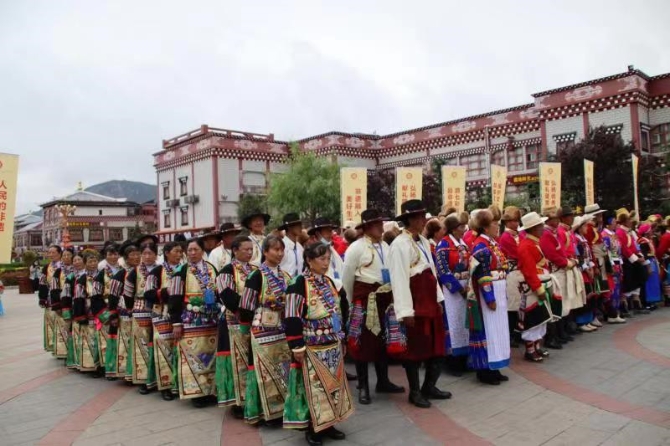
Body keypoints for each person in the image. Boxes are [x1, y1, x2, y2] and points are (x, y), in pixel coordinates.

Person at [284, 242, 354, 445]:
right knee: (314, 388)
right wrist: (296, 345)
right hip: (312, 346)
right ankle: (313, 428)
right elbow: (292, 316)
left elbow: (339, 310)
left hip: (332, 343)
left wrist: (342, 338)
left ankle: (329, 423)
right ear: (309, 260)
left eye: (328, 259)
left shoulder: (329, 282)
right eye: (321, 259)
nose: (326, 263)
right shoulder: (298, 283)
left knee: (333, 385)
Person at [388, 199, 449, 408]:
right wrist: (405, 311)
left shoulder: (422, 240)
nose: (424, 220)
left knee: (437, 346)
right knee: (414, 350)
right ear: (410, 220)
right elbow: (399, 279)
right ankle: (414, 392)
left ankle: (429, 386)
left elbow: (432, 271)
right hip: (415, 304)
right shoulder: (399, 245)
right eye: (420, 217)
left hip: (429, 301)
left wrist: (438, 299)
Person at [342, 209, 405, 405]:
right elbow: (347, 278)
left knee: (383, 340)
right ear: (367, 227)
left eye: (381, 224)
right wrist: (352, 302)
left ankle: (383, 381)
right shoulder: (356, 248)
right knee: (363, 342)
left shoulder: (386, 246)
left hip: (385, 298)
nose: (381, 227)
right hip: (365, 299)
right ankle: (363, 386)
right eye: (377, 224)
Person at [238, 235, 292, 424]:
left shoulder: (286, 276)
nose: (279, 253)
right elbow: (246, 305)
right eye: (275, 249)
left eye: (281, 249)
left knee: (283, 369)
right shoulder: (256, 276)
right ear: (265, 252)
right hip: (262, 331)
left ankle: (283, 408)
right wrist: (246, 329)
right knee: (264, 371)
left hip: (282, 331)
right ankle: (264, 412)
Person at [168, 237, 220, 408]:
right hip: (190, 320)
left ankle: (211, 390)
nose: (192, 253)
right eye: (189, 250)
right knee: (193, 355)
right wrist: (176, 323)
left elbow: (219, 292)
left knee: (211, 355)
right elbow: (174, 298)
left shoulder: (211, 269)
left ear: (203, 251)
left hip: (211, 320)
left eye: (195, 249)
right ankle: (196, 393)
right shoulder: (181, 271)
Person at [215, 235, 257, 417]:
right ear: (235, 250)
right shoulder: (226, 271)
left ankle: (253, 398)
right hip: (234, 322)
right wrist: (247, 306)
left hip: (253, 320)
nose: (249, 252)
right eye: (245, 249)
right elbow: (227, 295)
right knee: (236, 361)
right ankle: (238, 402)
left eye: (251, 249)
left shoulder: (255, 270)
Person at [468, 207, 511, 385]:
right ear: (485, 227)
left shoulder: (492, 243)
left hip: (498, 289)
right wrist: (490, 298)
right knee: (490, 330)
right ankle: (485, 370)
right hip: (489, 293)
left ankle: (495, 366)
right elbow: (483, 275)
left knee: (498, 330)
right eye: (494, 224)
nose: (498, 226)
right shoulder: (481, 246)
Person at [144, 241, 183, 401]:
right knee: (164, 349)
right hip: (162, 314)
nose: (179, 254)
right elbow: (148, 293)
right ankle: (166, 385)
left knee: (180, 349)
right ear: (166, 253)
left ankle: (180, 383)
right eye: (176, 251)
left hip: (181, 314)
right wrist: (167, 292)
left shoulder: (185, 269)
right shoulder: (157, 271)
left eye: (181, 251)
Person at [435, 211, 470, 376]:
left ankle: (464, 359)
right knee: (453, 323)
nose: (464, 229)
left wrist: (469, 285)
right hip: (452, 291)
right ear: (454, 228)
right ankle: (452, 362)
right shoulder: (443, 245)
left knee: (464, 323)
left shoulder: (463, 243)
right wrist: (458, 288)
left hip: (466, 286)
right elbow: (442, 271)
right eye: (461, 227)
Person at [517, 212, 554, 362]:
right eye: (540, 226)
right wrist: (538, 289)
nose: (543, 228)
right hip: (532, 287)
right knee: (533, 318)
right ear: (533, 228)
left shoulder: (534, 243)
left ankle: (537, 346)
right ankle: (530, 349)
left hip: (541, 283)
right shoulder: (525, 246)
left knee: (541, 317)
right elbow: (529, 270)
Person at [124, 239, 160, 394]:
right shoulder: (135, 271)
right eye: (144, 253)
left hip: (159, 309)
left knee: (158, 343)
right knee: (142, 345)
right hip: (140, 309)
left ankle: (160, 379)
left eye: (150, 253)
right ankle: (144, 379)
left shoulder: (161, 269)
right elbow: (128, 293)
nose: (147, 256)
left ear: (156, 255)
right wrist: (130, 308)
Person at [108, 242, 141, 381]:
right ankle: (125, 371)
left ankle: (139, 371)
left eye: (138, 254)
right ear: (126, 258)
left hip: (140, 311)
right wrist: (113, 315)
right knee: (126, 341)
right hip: (125, 312)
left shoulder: (143, 272)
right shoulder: (120, 274)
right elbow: (113, 296)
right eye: (132, 255)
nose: (136, 257)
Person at [91, 243, 122, 379]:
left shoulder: (123, 271)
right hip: (106, 309)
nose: (113, 257)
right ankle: (106, 367)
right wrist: (104, 313)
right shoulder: (100, 274)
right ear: (105, 256)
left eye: (115, 254)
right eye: (110, 254)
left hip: (121, 308)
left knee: (120, 340)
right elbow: (95, 296)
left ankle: (119, 367)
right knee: (105, 341)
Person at [73, 250, 103, 375]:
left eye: (95, 261)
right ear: (85, 263)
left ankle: (103, 365)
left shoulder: (103, 275)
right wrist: (80, 315)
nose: (93, 264)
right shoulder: (82, 279)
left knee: (101, 339)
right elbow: (78, 298)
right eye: (90, 261)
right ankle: (91, 366)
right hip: (88, 310)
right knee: (90, 340)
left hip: (101, 311)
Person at [616, 208, 648, 315]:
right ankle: (624, 305)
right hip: (626, 261)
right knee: (627, 283)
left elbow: (634, 246)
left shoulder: (629, 232)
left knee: (639, 279)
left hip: (634, 260)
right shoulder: (620, 232)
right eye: (629, 220)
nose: (631, 221)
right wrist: (636, 258)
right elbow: (624, 249)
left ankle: (636, 302)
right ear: (624, 221)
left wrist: (640, 256)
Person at [499, 206, 523, 347]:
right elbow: (517, 253)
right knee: (512, 305)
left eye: (517, 220)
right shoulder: (506, 237)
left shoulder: (518, 235)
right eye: (514, 220)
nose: (516, 223)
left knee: (519, 304)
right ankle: (511, 334)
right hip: (512, 272)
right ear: (507, 222)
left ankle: (517, 332)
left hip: (520, 271)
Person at [573, 215, 600, 332]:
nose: (587, 228)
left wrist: (592, 267)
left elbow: (589, 255)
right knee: (585, 296)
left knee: (591, 295)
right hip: (582, 271)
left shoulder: (584, 239)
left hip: (588, 269)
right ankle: (581, 321)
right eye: (584, 226)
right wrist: (586, 269)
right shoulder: (576, 239)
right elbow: (578, 256)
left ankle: (588, 319)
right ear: (579, 228)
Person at [62, 252, 85, 369]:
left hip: (88, 309)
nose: (77, 262)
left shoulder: (90, 274)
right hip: (75, 308)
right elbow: (66, 295)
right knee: (74, 334)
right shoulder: (70, 277)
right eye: (74, 260)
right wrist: (66, 312)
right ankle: (74, 359)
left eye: (79, 260)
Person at [39, 245, 63, 353]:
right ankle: (55, 346)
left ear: (59, 253)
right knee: (52, 322)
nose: (51, 255)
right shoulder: (46, 268)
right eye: (49, 253)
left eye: (53, 252)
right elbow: (42, 283)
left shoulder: (65, 266)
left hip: (62, 297)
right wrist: (42, 298)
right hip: (50, 298)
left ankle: (63, 348)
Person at [308, 217, 345, 289]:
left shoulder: (331, 249)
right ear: (318, 234)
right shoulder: (314, 252)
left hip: (338, 289)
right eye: (328, 231)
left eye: (331, 231)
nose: (331, 234)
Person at [52, 248, 74, 360]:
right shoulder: (58, 271)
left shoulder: (78, 269)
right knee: (65, 328)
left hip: (76, 303)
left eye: (68, 255)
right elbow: (54, 289)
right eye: (64, 255)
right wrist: (56, 305)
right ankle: (66, 352)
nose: (66, 257)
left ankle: (75, 354)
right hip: (63, 304)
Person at [638, 224, 662, 310]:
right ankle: (648, 301)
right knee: (649, 282)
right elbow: (644, 254)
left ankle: (653, 301)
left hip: (652, 261)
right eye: (650, 230)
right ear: (646, 232)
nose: (651, 231)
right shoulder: (642, 241)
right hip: (648, 263)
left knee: (654, 282)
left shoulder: (649, 240)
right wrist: (648, 265)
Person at [279, 213, 305, 278]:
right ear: (289, 227)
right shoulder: (281, 246)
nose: (301, 227)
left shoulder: (300, 247)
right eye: (297, 225)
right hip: (284, 282)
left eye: (300, 224)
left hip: (299, 283)